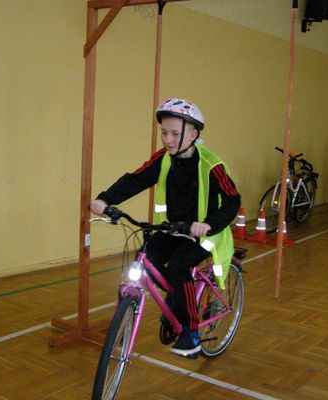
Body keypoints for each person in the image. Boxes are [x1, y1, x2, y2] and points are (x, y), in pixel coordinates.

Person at [89, 98, 241, 357]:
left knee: (180, 265)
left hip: (206, 234)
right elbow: (135, 180)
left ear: (193, 135)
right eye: (164, 133)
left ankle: (191, 333)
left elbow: (232, 201)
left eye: (174, 134)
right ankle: (177, 297)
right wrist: (105, 200)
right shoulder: (164, 159)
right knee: (145, 258)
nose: (168, 140)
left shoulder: (211, 165)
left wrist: (208, 225)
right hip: (173, 229)